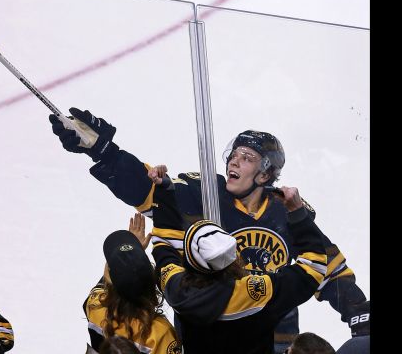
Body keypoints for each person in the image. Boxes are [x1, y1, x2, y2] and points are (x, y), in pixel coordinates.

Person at [49, 108, 370, 351]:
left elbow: (326, 263)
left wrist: (358, 311)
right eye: (234, 155)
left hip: (270, 337)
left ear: (266, 172)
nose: (234, 162)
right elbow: (149, 191)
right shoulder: (203, 194)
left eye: (247, 157)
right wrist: (107, 154)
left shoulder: (286, 209)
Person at [151, 191, 327, 353]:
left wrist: (163, 191)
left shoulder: (176, 288)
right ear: (234, 257)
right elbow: (314, 267)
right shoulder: (257, 293)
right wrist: (297, 212)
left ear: (189, 264)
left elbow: (164, 247)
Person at [84, 213, 180, 354]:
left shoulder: (95, 308)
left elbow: (104, 285)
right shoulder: (161, 334)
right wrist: (137, 256)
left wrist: (124, 261)